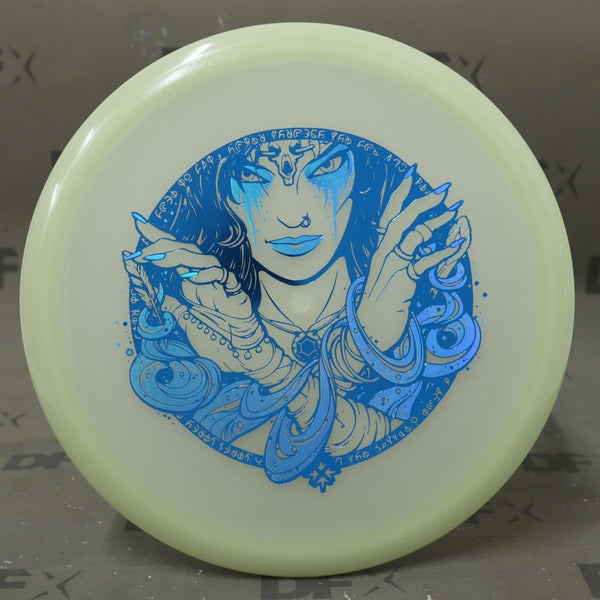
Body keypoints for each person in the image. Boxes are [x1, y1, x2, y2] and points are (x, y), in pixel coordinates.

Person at [122, 128, 481, 491]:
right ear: (228, 198)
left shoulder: (425, 323)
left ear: (358, 183)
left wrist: (256, 354)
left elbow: (421, 469)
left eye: (325, 168)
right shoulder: (204, 329)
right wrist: (361, 344)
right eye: (253, 176)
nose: (293, 217)